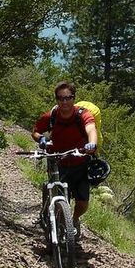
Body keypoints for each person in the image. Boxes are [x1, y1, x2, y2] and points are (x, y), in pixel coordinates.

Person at [32, 81, 98, 237]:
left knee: (83, 203)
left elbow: (91, 129)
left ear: (74, 98)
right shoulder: (52, 116)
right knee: (61, 199)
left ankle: (74, 220)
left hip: (80, 162)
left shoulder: (82, 114)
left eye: (68, 98)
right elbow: (35, 131)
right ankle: (58, 224)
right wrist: (41, 138)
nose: (65, 102)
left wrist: (92, 143)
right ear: (57, 100)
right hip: (57, 162)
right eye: (61, 98)